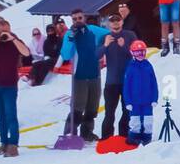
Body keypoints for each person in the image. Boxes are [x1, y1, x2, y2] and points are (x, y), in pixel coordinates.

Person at [59, 9, 111, 142]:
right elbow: (65, 55)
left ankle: (87, 132)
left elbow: (111, 34)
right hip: (79, 74)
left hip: (94, 73)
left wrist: (104, 44)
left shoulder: (94, 30)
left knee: (92, 106)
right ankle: (70, 133)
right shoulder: (70, 34)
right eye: (74, 19)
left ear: (85, 18)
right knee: (78, 106)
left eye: (79, 18)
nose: (77, 21)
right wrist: (71, 38)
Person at [0, 18, 29, 156]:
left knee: (11, 116)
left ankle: (13, 145)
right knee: (0, 117)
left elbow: (26, 53)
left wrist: (12, 38)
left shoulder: (15, 40)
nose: (3, 31)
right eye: (0, 28)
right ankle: (4, 143)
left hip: (9, 85)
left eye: (5, 27)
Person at [99, 12, 135, 140]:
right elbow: (95, 56)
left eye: (118, 20)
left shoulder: (130, 35)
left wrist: (124, 46)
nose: (115, 23)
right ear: (109, 24)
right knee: (109, 113)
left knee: (127, 111)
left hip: (127, 81)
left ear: (122, 22)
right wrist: (105, 45)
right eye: (112, 21)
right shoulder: (105, 37)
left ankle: (124, 136)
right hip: (111, 82)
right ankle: (105, 139)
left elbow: (137, 55)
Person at [123, 40, 159, 145]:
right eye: (137, 53)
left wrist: (154, 98)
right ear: (132, 53)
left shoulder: (148, 66)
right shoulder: (130, 67)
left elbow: (154, 83)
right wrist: (128, 102)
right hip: (134, 102)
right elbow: (127, 86)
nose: (140, 55)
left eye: (142, 52)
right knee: (135, 121)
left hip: (147, 101)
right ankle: (134, 137)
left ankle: (147, 137)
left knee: (148, 121)